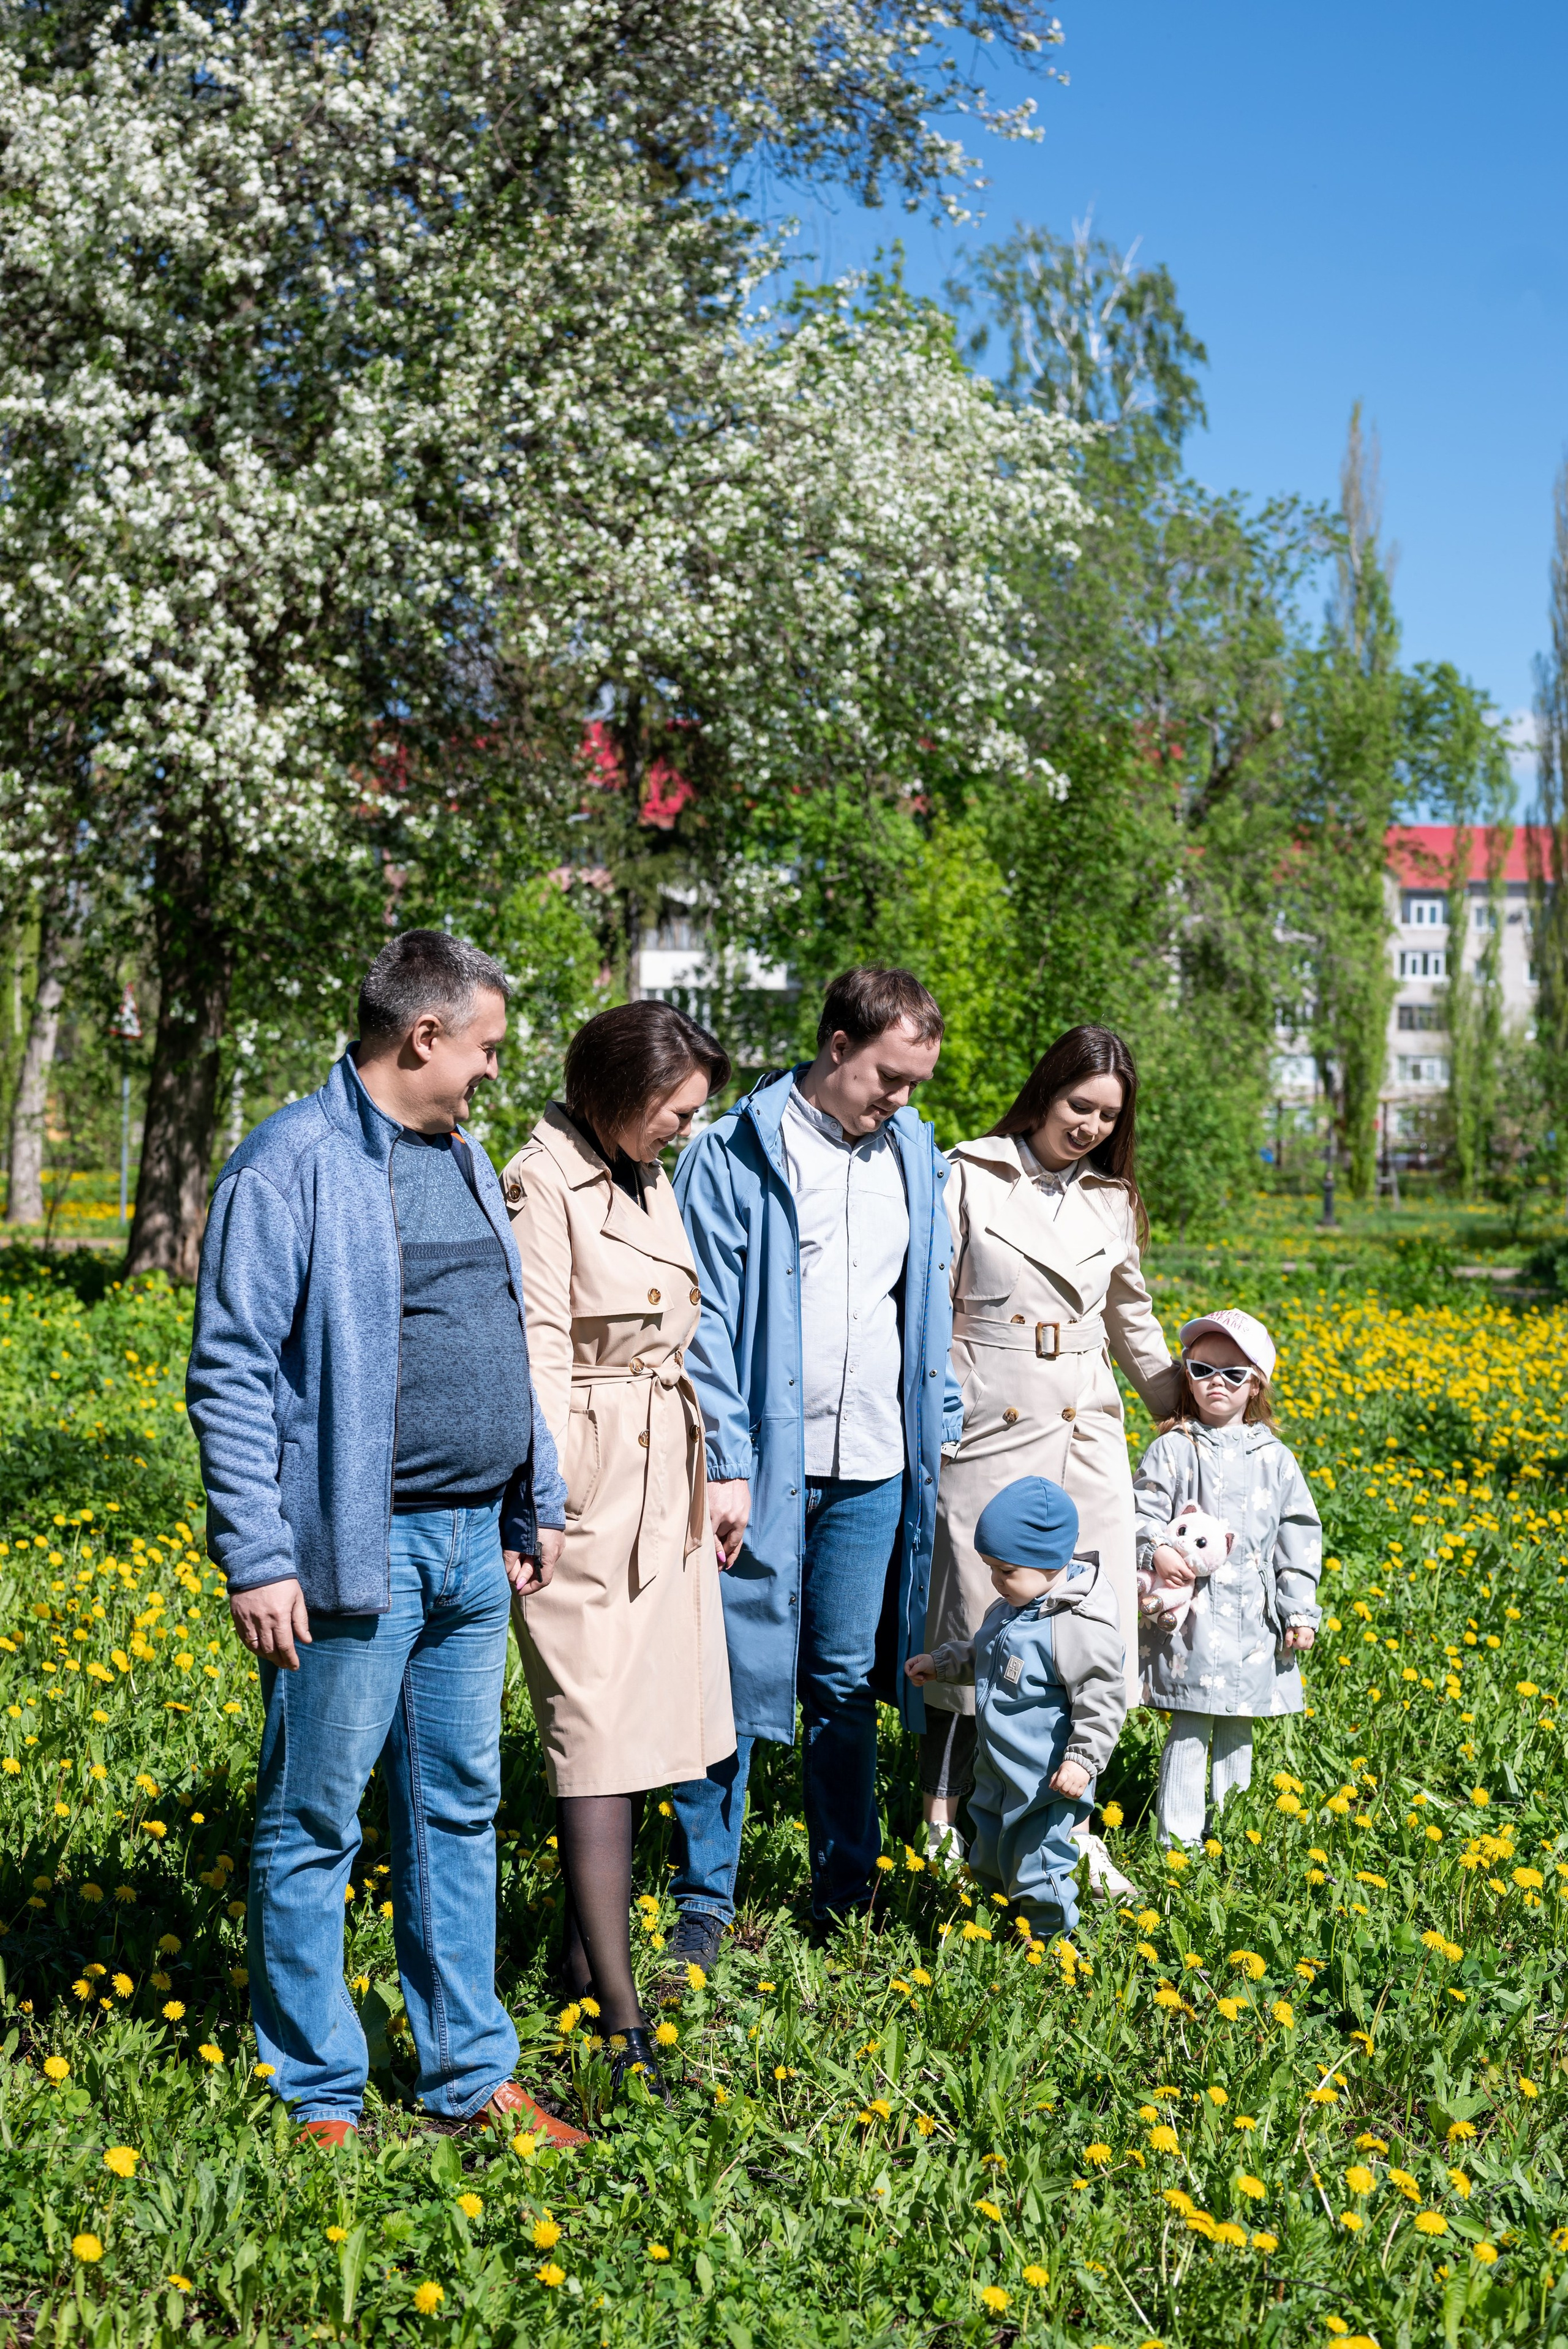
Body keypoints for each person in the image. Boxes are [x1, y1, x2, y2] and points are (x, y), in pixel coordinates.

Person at [187, 930, 582, 2148]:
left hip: (472, 1548)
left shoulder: (461, 1157)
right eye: (486, 1048)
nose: (493, 1072)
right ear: (423, 1036)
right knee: (313, 1821)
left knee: (458, 1811)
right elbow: (230, 1372)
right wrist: (259, 1556)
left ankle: (469, 2073)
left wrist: (531, 1495)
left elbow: (503, 1341)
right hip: (351, 1555)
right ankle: (316, 2090)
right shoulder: (289, 1164)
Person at [663, 967, 962, 1959]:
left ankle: (848, 1891)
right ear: (838, 1045)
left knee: (842, 1684)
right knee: (730, 1679)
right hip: (758, 1473)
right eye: (889, 1076)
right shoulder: (733, 1152)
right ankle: (704, 1901)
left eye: (915, 1082)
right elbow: (700, 1322)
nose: (901, 1099)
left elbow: (927, 1305)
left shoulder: (914, 1154)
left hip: (875, 1463)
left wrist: (939, 1425)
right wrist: (726, 1458)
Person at [501, 1001, 736, 2098]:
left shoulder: (643, 1170)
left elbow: (681, 1328)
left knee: (639, 1730)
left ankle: (579, 1963)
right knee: (593, 1737)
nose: (687, 1128)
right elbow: (538, 1347)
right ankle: (620, 2021)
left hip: (662, 1469)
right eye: (675, 1110)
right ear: (617, 1091)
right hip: (590, 1481)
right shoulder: (542, 1179)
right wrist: (546, 1498)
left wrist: (716, 1468)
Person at [919, 1025, 1180, 1895]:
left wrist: (1183, 1408)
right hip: (988, 1423)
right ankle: (941, 1824)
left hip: (1085, 1431)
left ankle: (1069, 1827)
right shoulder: (966, 1174)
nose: (1091, 1126)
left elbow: (1131, 1318)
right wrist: (931, 1412)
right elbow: (928, 1305)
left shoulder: (1112, 1200)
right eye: (1079, 1105)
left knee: (1087, 1627)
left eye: (1108, 1116)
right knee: (971, 1621)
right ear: (1044, 1092)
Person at [905, 1476, 1125, 1940]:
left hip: (1045, 1781)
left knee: (1038, 1861)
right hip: (997, 1770)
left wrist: (1082, 1760)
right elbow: (985, 1654)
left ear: (1050, 1562)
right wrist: (942, 1664)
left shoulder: (1077, 1625)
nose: (995, 1581)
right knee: (988, 1853)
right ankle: (992, 1926)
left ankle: (1050, 1943)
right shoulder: (1012, 1607)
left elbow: (1102, 1698)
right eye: (991, 1568)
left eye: (1005, 1570)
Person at [1133, 1308, 1322, 1846]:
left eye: (1233, 1373)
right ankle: (1178, 1843)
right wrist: (1156, 1548)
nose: (1216, 1382)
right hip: (1191, 1617)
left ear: (1255, 1383)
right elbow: (1140, 1510)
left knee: (1239, 1724)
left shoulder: (1276, 1459)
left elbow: (1297, 1537)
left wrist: (1299, 1610)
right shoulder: (1174, 1448)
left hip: (1253, 1620)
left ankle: (1232, 1837)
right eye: (1202, 1369)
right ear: (1187, 1376)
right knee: (1191, 1720)